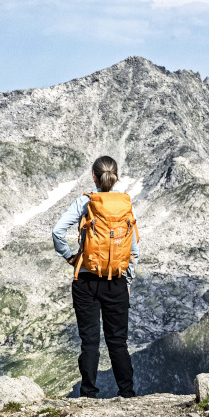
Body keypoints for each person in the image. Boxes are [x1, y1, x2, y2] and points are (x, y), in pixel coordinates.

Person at [51, 155, 138, 398]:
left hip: (86, 281)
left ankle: (88, 393)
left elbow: (57, 231)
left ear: (94, 177)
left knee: (89, 341)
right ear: (116, 176)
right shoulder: (126, 204)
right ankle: (127, 393)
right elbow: (133, 249)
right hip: (116, 281)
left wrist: (70, 256)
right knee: (118, 342)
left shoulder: (86, 201)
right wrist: (128, 280)